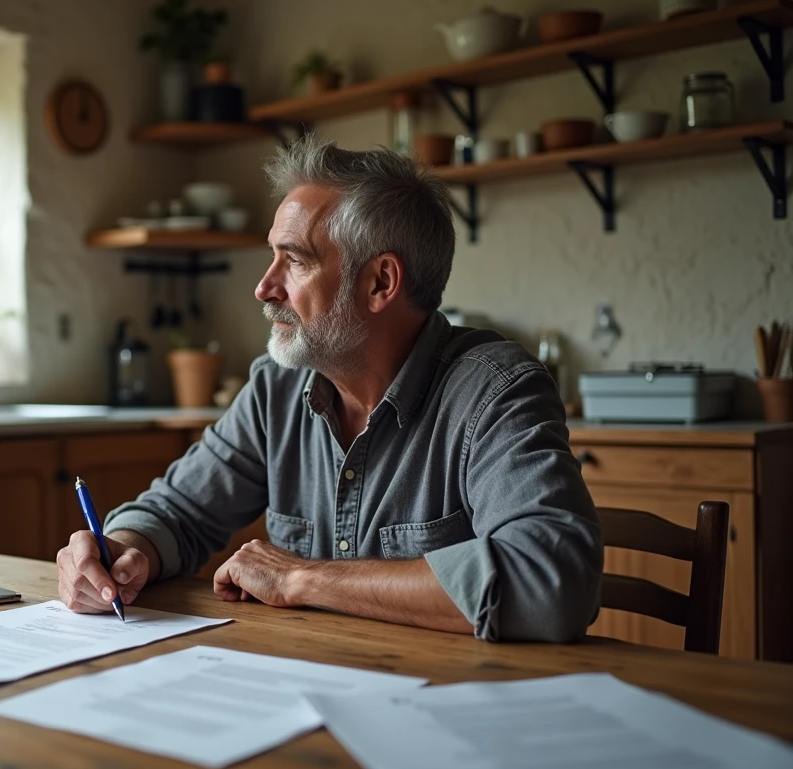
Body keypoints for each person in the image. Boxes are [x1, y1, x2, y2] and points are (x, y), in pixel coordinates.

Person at [57, 135, 603, 642]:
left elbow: (550, 582)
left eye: (294, 260)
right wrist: (122, 552)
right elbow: (175, 511)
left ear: (380, 283)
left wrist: (303, 579)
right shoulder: (277, 388)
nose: (263, 287)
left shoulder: (495, 391)